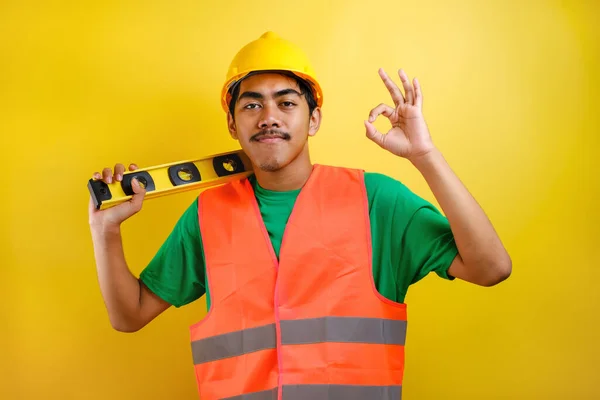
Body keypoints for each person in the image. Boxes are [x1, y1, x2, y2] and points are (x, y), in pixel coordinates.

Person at [88, 31, 511, 400]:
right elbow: (129, 315)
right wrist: (105, 230)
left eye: (286, 102)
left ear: (314, 120)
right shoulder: (207, 215)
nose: (268, 117)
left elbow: (491, 267)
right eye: (251, 106)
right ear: (233, 126)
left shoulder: (376, 200)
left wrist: (425, 156)